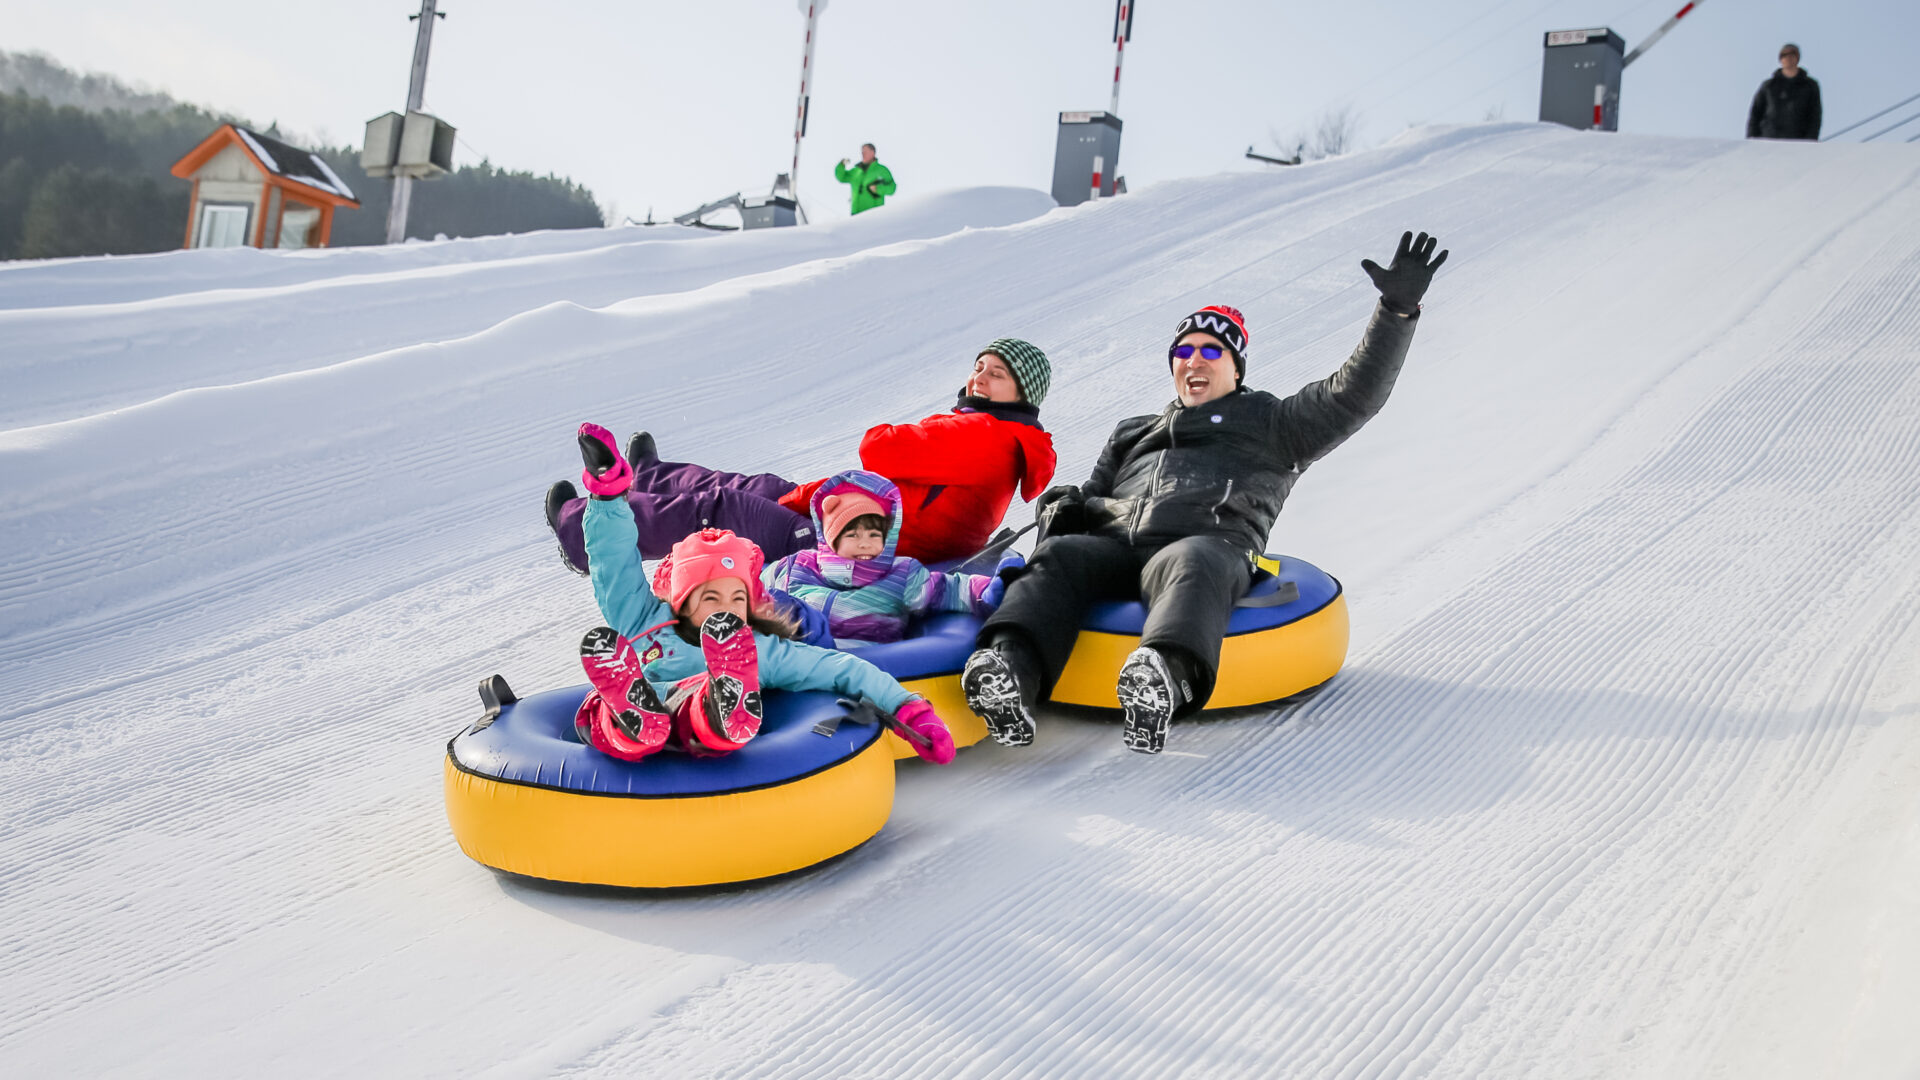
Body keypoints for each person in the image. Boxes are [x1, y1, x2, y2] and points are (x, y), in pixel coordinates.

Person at [962, 231, 1448, 755]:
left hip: (1204, 542)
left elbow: (1354, 395)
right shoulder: (1134, 430)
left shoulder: (1273, 424)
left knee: (1195, 558)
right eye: (1185, 351)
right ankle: (1009, 674)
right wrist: (1063, 505)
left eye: (1211, 351)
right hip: (1113, 547)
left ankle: (1163, 678)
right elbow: (1093, 494)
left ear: (1235, 367)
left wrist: (1396, 311)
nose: (1195, 360)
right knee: (1061, 553)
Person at [569, 423, 956, 764]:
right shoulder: (643, 617)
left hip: (695, 718)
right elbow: (613, 562)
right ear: (682, 601)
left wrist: (910, 711)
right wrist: (607, 498)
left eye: (738, 599)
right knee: (605, 711)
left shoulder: (757, 649)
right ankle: (631, 709)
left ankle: (721, 702)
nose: (727, 609)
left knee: (699, 706)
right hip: (639, 713)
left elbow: (841, 668)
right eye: (710, 598)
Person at [544, 339, 1057, 570]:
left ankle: (580, 533)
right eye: (979, 366)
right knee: (754, 486)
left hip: (843, 546)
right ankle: (649, 477)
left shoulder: (985, 435)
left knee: (720, 509)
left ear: (1022, 394)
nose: (979, 378)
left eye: (996, 374)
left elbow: (878, 448)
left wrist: (929, 427)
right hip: (841, 516)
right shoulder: (996, 436)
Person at [764, 469, 1014, 647]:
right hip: (802, 663)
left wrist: (991, 589)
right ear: (832, 538)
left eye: (875, 534)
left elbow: (948, 589)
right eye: (853, 534)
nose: (865, 543)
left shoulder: (901, 575)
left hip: (869, 666)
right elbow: (751, 584)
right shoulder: (797, 567)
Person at [1747, 44, 1821, 140]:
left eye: (1792, 55)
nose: (1788, 58)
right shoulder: (1769, 86)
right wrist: (1752, 140)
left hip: (1799, 142)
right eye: (1784, 55)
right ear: (1780, 59)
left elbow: (1815, 116)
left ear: (1797, 58)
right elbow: (1755, 114)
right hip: (1768, 141)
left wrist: (1810, 140)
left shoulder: (1810, 86)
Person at [835, 143, 895, 215]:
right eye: (862, 152)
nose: (863, 154)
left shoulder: (882, 170)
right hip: (856, 214)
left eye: (865, 152)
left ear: (873, 152)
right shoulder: (856, 171)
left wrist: (878, 189)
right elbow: (841, 177)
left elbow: (892, 188)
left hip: (874, 214)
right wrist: (841, 165)